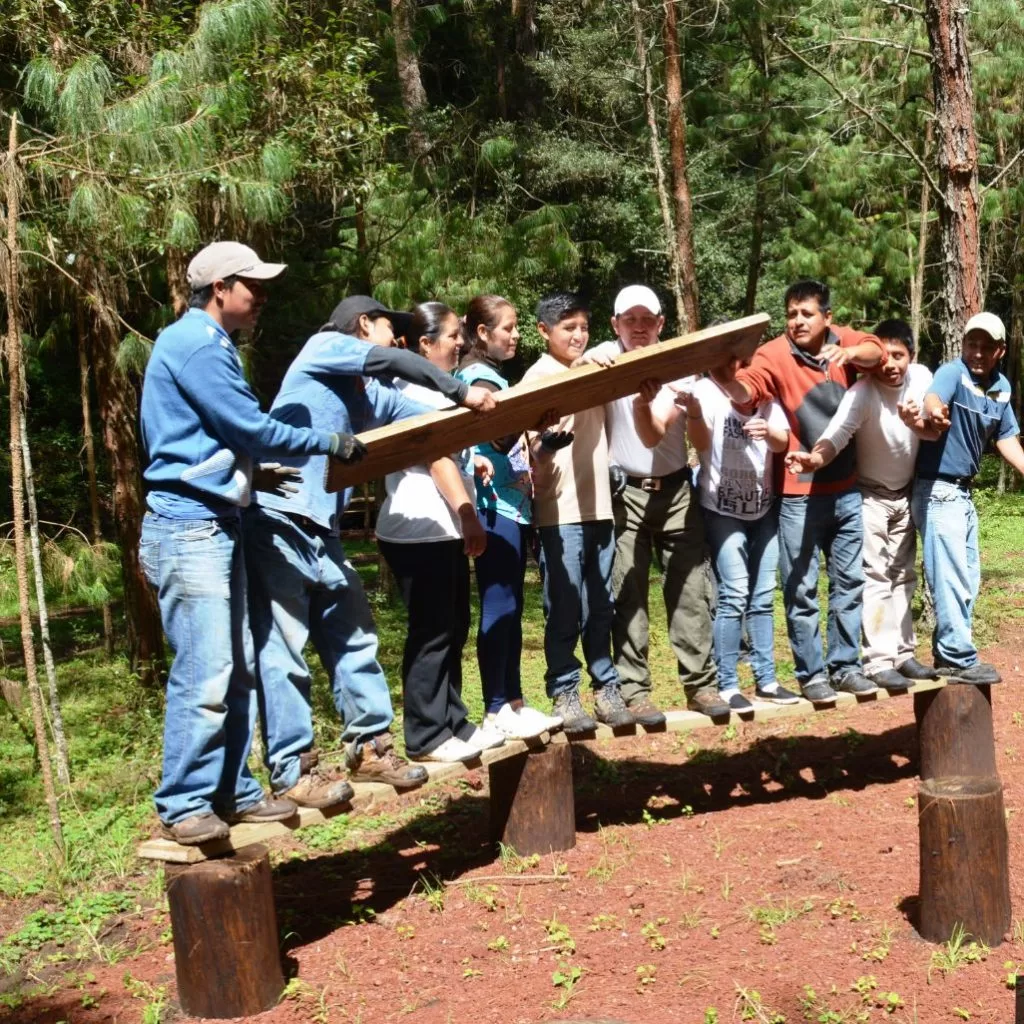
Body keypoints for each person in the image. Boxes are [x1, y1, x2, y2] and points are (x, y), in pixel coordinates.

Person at [138, 241, 365, 845]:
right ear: (220, 288)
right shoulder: (193, 344)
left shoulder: (211, 345)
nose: (261, 296)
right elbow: (247, 426)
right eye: (252, 285)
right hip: (188, 527)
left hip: (215, 520)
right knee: (206, 672)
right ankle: (185, 803)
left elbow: (200, 437)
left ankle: (233, 792)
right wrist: (326, 442)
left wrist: (247, 475)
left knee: (235, 666)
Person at [242, 294, 498, 808]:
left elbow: (428, 421)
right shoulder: (323, 347)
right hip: (277, 520)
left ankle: (370, 746)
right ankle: (293, 770)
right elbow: (400, 363)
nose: (399, 338)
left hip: (323, 532)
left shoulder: (368, 397)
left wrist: (499, 417)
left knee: (355, 632)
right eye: (390, 327)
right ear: (363, 325)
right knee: (284, 649)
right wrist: (459, 388)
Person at [716, 279, 887, 704]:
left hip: (847, 489)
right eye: (792, 314)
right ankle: (812, 674)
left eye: (807, 313)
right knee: (801, 588)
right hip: (799, 494)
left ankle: (845, 667)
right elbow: (748, 388)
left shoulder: (844, 341)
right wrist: (726, 379)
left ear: (826, 317)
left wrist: (848, 353)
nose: (797, 321)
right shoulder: (773, 354)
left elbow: (877, 351)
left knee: (848, 583)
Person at [584, 285, 722, 721]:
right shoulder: (604, 355)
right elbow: (567, 365)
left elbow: (653, 432)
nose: (639, 328)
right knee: (628, 591)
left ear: (661, 324)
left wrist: (644, 402)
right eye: (630, 320)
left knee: (690, 591)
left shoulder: (677, 367)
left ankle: (701, 686)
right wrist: (586, 359)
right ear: (616, 324)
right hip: (624, 494)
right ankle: (634, 692)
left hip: (677, 490)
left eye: (648, 320)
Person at [376, 302, 506, 762]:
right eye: (452, 336)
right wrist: (469, 514)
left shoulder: (433, 389)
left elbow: (453, 453)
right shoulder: (413, 389)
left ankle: (454, 722)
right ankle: (426, 735)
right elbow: (436, 458)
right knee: (433, 631)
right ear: (424, 344)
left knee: (454, 626)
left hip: (440, 526)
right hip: (420, 528)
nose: (460, 342)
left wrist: (478, 460)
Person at [786, 318, 937, 689]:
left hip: (905, 493)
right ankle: (878, 660)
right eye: (884, 355)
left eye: (899, 355)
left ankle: (903, 653)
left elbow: (936, 417)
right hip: (868, 495)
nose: (890, 364)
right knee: (875, 576)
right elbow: (835, 433)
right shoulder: (863, 392)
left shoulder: (922, 378)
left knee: (904, 576)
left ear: (911, 356)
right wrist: (815, 459)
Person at [521, 292, 635, 733]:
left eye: (583, 327)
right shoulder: (537, 377)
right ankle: (564, 691)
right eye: (568, 328)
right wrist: (544, 445)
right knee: (565, 606)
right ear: (544, 332)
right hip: (559, 511)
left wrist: (611, 466)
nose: (578, 335)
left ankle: (605, 687)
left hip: (598, 507)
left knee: (600, 605)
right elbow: (528, 448)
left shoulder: (594, 370)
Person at [456, 295, 564, 739]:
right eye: (509, 327)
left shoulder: (492, 376)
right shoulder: (477, 377)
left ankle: (513, 703)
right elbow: (496, 438)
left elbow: (512, 443)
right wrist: (533, 411)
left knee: (511, 607)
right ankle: (496, 706)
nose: (516, 334)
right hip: (492, 507)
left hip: (511, 506)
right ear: (482, 333)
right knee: (500, 606)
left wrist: (545, 434)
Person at [909, 312, 1024, 684]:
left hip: (963, 493)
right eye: (971, 343)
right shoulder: (952, 372)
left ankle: (949, 652)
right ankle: (958, 658)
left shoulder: (1001, 388)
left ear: (1000, 351)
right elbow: (932, 398)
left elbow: (1006, 438)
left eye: (986, 346)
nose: (976, 352)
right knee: (951, 576)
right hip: (937, 488)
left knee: (969, 577)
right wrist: (935, 413)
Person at [684, 357, 798, 710]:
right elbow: (699, 441)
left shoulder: (764, 390)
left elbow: (782, 442)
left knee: (763, 597)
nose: (735, 363)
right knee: (734, 593)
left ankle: (766, 680)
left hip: (764, 509)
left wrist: (771, 432)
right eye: (728, 356)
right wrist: (692, 412)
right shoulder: (704, 391)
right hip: (720, 510)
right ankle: (728, 683)